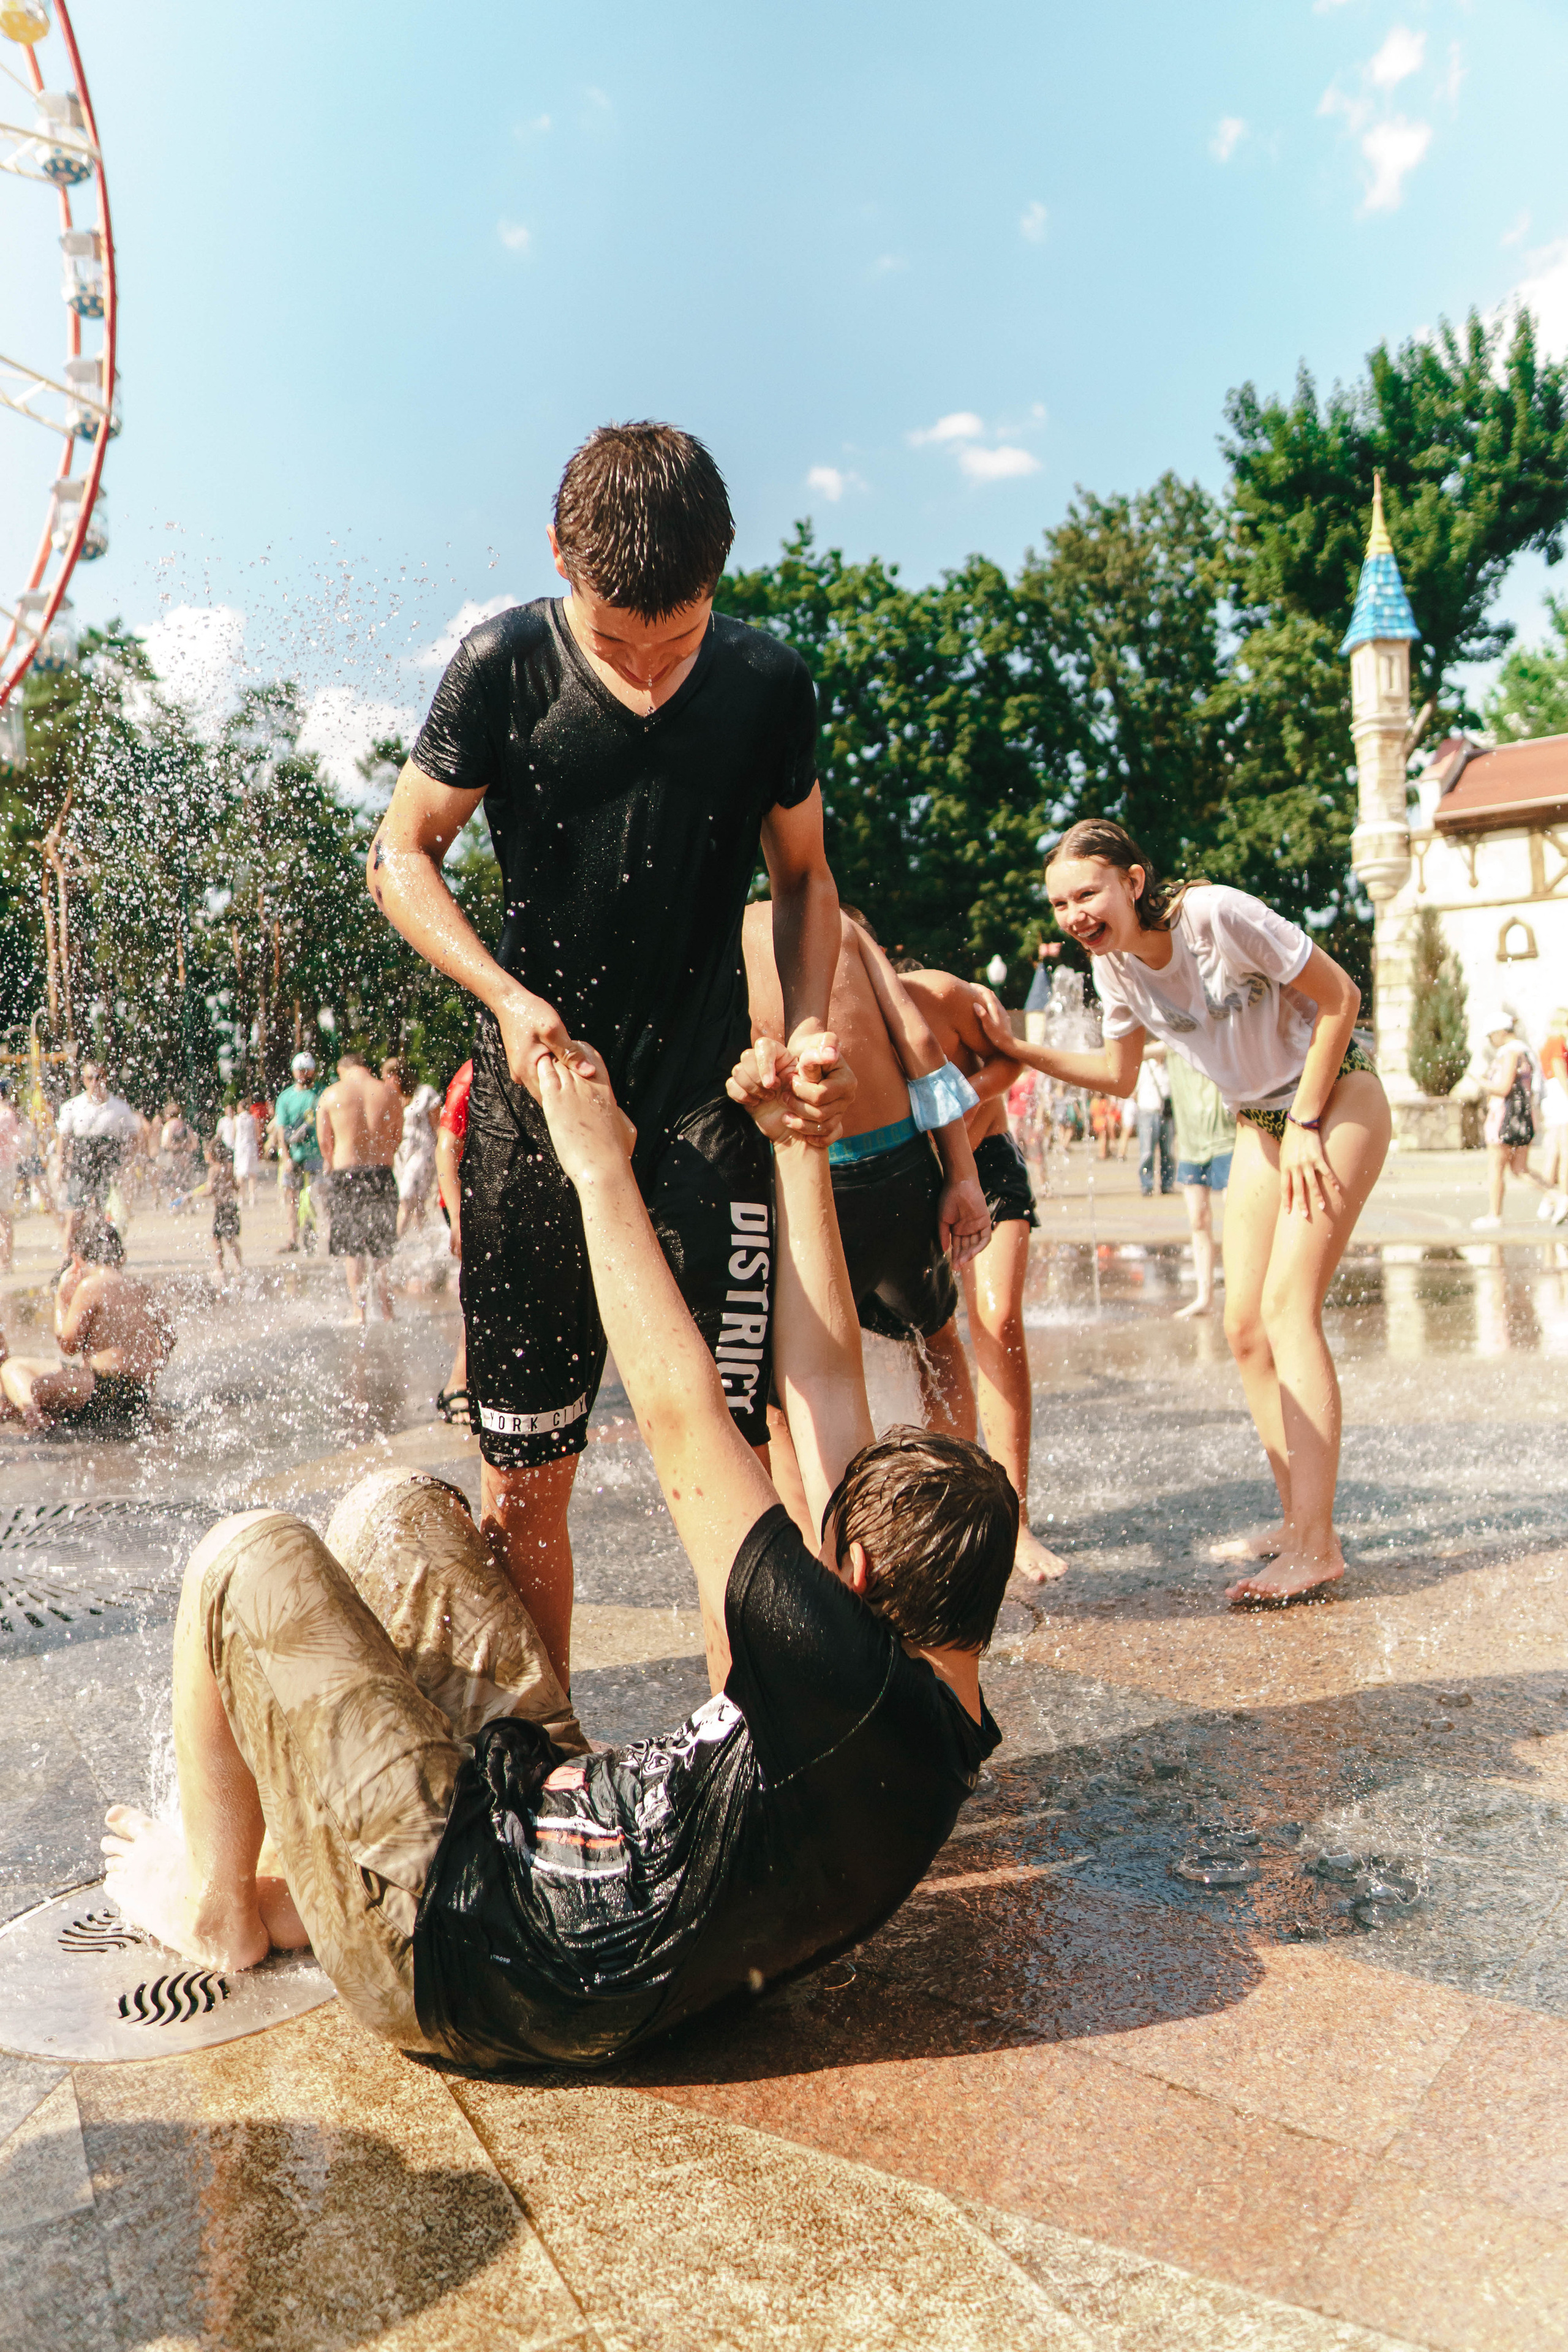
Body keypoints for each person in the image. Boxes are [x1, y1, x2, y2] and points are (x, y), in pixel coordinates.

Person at [97, 1030, 1012, 2076]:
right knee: (398, 1514)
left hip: (468, 1960)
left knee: (240, 1559)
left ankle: (223, 1911)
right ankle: (324, 1876)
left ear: (852, 1582)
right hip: (553, 1861)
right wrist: (799, 1141)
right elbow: (832, 1379)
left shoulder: (835, 1679)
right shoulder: (935, 1711)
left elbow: (682, 1415)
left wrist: (597, 1165)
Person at [366, 420, 839, 1688]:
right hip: (532, 1118)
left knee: (732, 1472)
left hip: (699, 1118)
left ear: (720, 578)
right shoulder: (502, 664)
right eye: (617, 641)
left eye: (673, 642)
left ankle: (747, 1753)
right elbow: (400, 853)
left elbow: (803, 881)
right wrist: (503, 996)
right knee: (525, 1483)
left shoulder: (767, 686)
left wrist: (798, 1028)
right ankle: (545, 1754)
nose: (642, 674)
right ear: (557, 560)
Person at [981, 818, 1390, 1605]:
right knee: (1243, 1327)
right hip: (1261, 1124)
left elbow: (1342, 995)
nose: (1073, 915)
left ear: (1132, 882)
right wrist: (1020, 1053)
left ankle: (1313, 1544)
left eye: (1087, 893)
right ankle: (1300, 1517)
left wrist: (1306, 1123)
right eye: (1060, 903)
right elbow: (1119, 1074)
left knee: (1286, 1308)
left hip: (1334, 1098)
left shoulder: (1215, 918)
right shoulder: (1115, 970)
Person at [741, 903, 991, 1520]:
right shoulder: (836, 921)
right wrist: (962, 1174)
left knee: (788, 1388)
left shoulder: (723, 930)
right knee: (936, 1344)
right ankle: (955, 1518)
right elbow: (921, 1042)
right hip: (902, 1168)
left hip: (811, 1182)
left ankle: (817, 1550)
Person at [894, 959, 1070, 1585]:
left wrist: (954, 1104)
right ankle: (947, 1504)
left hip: (986, 1161)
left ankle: (1014, 1520)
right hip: (907, 1180)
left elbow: (1010, 1061)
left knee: (997, 1321)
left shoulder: (935, 996)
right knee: (927, 1337)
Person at [1, 1222, 174, 1433]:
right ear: (122, 1257)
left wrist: (62, 1299)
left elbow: (68, 1345)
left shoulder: (90, 1286)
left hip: (101, 1391)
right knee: (28, 1373)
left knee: (17, 1372)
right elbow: (169, 1336)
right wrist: (152, 1372)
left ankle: (34, 1416)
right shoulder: (143, 1289)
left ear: (77, 1260)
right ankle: (35, 1409)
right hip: (139, 1393)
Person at [315, 1052, 402, 1324]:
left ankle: (359, 1312)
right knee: (381, 1247)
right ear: (366, 1068)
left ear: (344, 1070)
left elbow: (324, 1142)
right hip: (381, 1173)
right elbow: (396, 1136)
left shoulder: (331, 1094)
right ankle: (388, 1312)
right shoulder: (388, 1093)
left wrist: (332, 1162)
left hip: (346, 1174)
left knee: (352, 1247)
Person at [1167, 1052, 1235, 1319]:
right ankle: (1205, 1297)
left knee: (1237, 1221)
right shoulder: (1172, 1046)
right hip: (1190, 1144)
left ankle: (1241, 1294)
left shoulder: (1213, 1036)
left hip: (1227, 1139)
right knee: (1198, 1220)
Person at [1472, 1014, 1548, 1231]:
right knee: (1520, 1168)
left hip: (1504, 1116)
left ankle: (1494, 1215)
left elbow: (1503, 1088)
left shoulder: (1511, 1053)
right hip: (1521, 1115)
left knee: (1496, 1167)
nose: (1490, 1041)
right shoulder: (1525, 1051)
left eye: (1491, 1036)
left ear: (1500, 1033)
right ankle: (1558, 1197)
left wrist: (1482, 1082)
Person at [56, 1062, 138, 1259]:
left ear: (106, 1078)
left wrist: (125, 1165)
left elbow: (133, 1139)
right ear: (84, 1080)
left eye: (99, 1077)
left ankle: (108, 1256)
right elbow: (64, 1139)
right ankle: (68, 1259)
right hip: (81, 1165)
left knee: (106, 1215)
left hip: (108, 1165)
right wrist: (61, 1166)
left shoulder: (119, 1107)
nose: (95, 1082)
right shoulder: (72, 1106)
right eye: (90, 1078)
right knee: (76, 1215)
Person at [434, 1058, 472, 1423]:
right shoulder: (471, 1076)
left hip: (498, 1199)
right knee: (481, 1293)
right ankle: (456, 1385)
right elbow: (444, 1148)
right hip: (466, 1200)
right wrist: (459, 1218)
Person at [266, 1052, 323, 1254]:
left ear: (314, 1071)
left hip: (317, 1156)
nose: (304, 1074)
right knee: (292, 1197)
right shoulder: (286, 1097)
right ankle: (293, 1239)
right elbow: (281, 1131)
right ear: (293, 1071)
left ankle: (322, 1234)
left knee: (319, 1195)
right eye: (300, 1070)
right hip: (295, 1157)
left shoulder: (321, 1093)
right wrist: (286, 1158)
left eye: (307, 1070)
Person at [386, 1058, 441, 1239]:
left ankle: (391, 1249)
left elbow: (437, 1126)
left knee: (406, 1198)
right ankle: (430, 1252)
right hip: (402, 1155)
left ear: (396, 1077)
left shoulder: (425, 1093)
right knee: (417, 1205)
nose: (383, 1081)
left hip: (423, 1152)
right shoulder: (391, 1099)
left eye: (386, 1076)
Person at [192, 1137, 243, 1278]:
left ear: (212, 1154)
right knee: (231, 1238)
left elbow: (210, 1190)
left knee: (216, 1239)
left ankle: (219, 1268)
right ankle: (239, 1265)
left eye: (206, 1152)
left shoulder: (213, 1170)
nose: (205, 1155)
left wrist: (195, 1195)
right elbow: (234, 1186)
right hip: (231, 1206)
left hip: (221, 1208)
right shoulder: (228, 1167)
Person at [1536, 1009, 1568, 1226]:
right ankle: (1562, 1199)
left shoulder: (1549, 1043)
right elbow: (1560, 1072)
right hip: (1561, 1100)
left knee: (1554, 1154)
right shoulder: (1557, 1042)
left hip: (1554, 1101)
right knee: (1564, 1155)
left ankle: (1549, 1201)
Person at [1134, 1043, 1174, 1196]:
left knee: (1168, 1152)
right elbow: (1134, 1091)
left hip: (1166, 1114)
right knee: (1147, 1152)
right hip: (1148, 1112)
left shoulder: (1169, 1066)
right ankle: (1147, 1185)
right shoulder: (1145, 1066)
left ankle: (1167, 1184)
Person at [0, 1076, 23, 1274]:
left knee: (4, 1216)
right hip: (7, 1168)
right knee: (5, 1217)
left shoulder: (5, 1115)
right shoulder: (10, 1114)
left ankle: (6, 1260)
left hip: (3, 1170)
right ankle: (6, 1260)